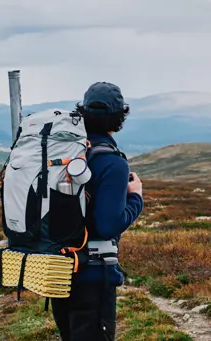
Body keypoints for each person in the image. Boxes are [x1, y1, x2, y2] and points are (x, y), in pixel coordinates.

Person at [51, 82, 145, 341]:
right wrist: (136, 197)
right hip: (92, 275)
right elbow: (107, 225)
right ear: (119, 118)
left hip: (58, 268)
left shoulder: (64, 153)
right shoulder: (112, 163)